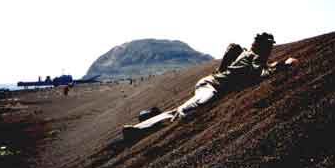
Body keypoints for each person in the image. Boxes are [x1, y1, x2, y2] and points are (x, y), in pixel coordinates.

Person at [122, 33, 299, 140]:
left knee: (183, 110)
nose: (269, 50)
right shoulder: (251, 56)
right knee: (185, 110)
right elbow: (256, 74)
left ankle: (146, 122)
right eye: (268, 46)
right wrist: (280, 64)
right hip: (211, 85)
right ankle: (138, 130)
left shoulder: (255, 60)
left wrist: (282, 64)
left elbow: (261, 72)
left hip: (212, 84)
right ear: (262, 47)